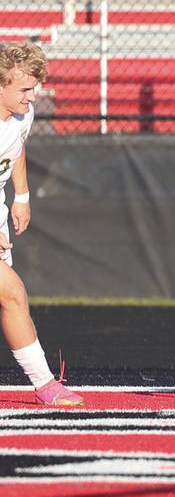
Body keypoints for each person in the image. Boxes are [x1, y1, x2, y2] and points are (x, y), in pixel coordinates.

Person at [0, 42, 84, 406]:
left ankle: (46, 385)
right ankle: (46, 384)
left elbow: (15, 147)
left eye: (34, 87)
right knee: (12, 293)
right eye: (23, 89)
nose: (32, 97)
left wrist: (22, 196)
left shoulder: (22, 114)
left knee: (9, 297)